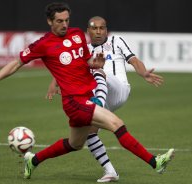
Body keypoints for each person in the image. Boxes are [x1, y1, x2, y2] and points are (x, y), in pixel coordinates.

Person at [0, 2, 175, 181]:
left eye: (67, 20)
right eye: (59, 21)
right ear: (49, 21)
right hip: (74, 101)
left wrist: (94, 63)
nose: (64, 24)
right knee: (116, 123)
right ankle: (155, 163)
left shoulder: (77, 34)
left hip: (85, 96)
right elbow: (16, 63)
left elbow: (86, 60)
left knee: (75, 144)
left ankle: (33, 160)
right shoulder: (43, 44)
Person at [46, 16, 165, 182]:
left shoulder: (117, 41)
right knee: (89, 132)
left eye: (102, 28)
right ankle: (110, 171)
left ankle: (98, 103)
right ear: (88, 31)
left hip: (119, 89)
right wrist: (54, 83)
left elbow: (134, 60)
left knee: (97, 70)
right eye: (94, 28)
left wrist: (143, 73)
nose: (98, 31)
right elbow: (68, 70)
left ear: (106, 30)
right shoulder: (84, 49)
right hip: (101, 94)